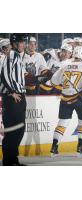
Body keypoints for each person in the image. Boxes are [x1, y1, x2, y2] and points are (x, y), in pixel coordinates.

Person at [50, 46, 82, 155]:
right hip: (79, 99)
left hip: (65, 98)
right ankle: (80, 147)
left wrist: (65, 88)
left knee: (62, 123)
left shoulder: (64, 66)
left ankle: (54, 147)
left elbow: (53, 82)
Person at [0, 34, 27, 166]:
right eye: (21, 42)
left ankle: (13, 160)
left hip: (19, 96)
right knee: (12, 130)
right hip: (12, 98)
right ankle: (8, 161)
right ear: (15, 43)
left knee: (19, 129)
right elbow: (4, 74)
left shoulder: (17, 56)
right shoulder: (12, 54)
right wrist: (12, 92)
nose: (23, 44)